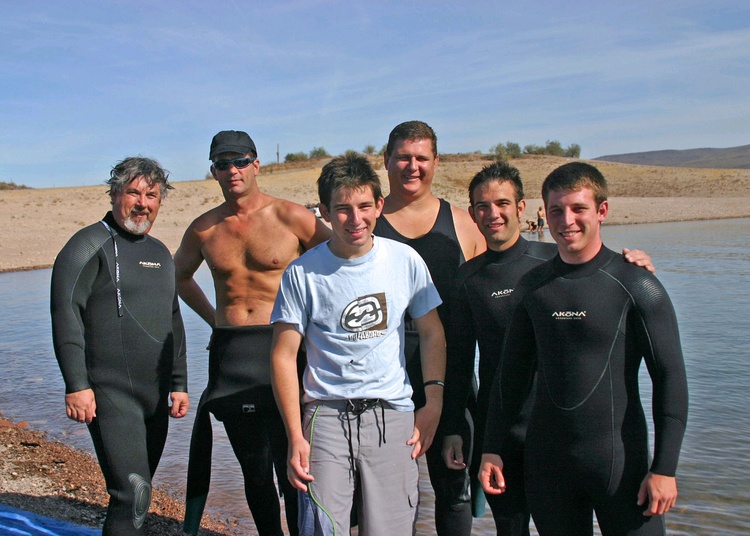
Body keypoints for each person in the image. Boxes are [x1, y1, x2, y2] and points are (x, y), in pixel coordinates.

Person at [442, 161, 655, 535]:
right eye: (482, 206)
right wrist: (454, 428)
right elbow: (458, 362)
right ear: (472, 212)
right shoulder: (467, 279)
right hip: (501, 431)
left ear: (521, 208)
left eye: (502, 203)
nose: (493, 213)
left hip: (558, 430)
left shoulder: (551, 263)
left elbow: (602, 283)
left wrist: (634, 267)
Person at [270, 153, 446, 536]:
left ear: (379, 206)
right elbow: (283, 355)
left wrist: (434, 400)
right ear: (324, 212)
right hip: (325, 417)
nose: (356, 219)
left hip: (392, 416)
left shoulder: (405, 260)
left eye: (365, 206)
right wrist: (295, 435)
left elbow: (432, 331)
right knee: (323, 528)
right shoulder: (302, 272)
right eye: (343, 209)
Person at [176, 130, 330, 536]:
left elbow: (340, 264)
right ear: (213, 171)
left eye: (240, 161)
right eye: (223, 164)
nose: (233, 170)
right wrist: (213, 319)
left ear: (256, 164)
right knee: (254, 468)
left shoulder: (291, 216)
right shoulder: (204, 229)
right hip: (231, 354)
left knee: (292, 463)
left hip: (283, 347)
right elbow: (179, 277)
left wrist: (320, 326)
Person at [50, 157, 189, 535]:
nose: (142, 202)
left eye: (152, 195)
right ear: (114, 194)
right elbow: (66, 314)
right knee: (134, 493)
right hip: (109, 392)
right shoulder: (87, 245)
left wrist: (179, 382)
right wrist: (76, 384)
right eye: (133, 192)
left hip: (154, 396)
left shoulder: (160, 253)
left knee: (135, 494)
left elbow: (172, 319)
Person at [373, 120, 485, 536]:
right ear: (386, 161)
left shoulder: (462, 224)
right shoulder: (366, 221)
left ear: (436, 162)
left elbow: (508, 273)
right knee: (382, 494)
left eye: (422, 158)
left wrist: (621, 262)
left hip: (451, 380)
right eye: (403, 157)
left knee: (453, 487)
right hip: (383, 381)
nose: (412, 166)